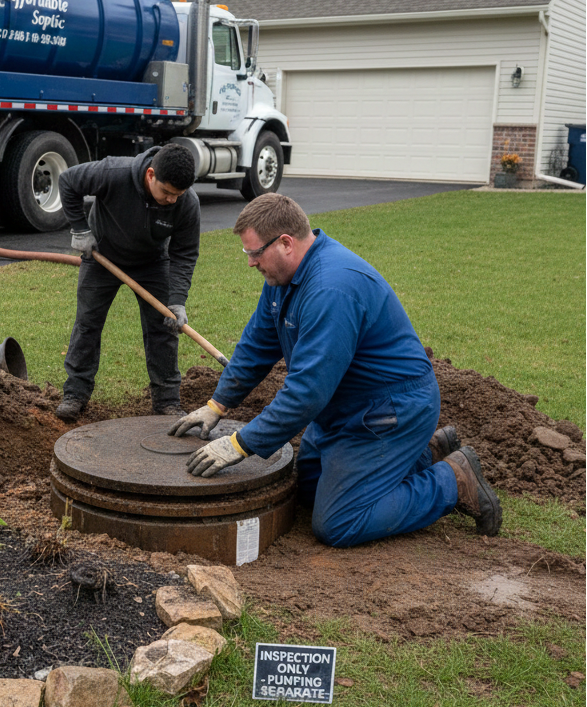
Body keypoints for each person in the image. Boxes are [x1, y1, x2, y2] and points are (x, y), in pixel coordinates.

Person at [169, 194, 502, 548]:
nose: (251, 263)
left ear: (286, 243)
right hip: (348, 408)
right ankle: (426, 453)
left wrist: (240, 444)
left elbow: (307, 392)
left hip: (390, 412)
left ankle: (453, 480)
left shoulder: (331, 289)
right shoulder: (282, 281)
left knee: (339, 521)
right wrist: (217, 404)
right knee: (308, 490)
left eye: (255, 253)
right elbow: (257, 344)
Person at [56, 143, 199, 420]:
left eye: (178, 195)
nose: (172, 200)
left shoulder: (188, 203)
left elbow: (184, 254)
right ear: (150, 175)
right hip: (102, 257)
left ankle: (167, 401)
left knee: (164, 328)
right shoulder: (114, 172)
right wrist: (80, 229)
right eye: (167, 192)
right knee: (87, 323)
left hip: (152, 263)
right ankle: (75, 393)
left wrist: (177, 301)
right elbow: (68, 181)